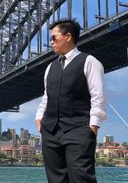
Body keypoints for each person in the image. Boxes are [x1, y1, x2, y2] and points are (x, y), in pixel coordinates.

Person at [35, 19, 106, 183]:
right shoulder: (50, 67)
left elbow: (98, 95)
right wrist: (39, 118)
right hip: (50, 130)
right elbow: (47, 96)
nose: (51, 42)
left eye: (54, 37)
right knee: (56, 179)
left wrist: (93, 126)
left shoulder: (89, 61)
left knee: (81, 177)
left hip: (79, 129)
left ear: (68, 36)